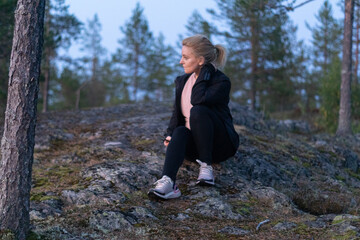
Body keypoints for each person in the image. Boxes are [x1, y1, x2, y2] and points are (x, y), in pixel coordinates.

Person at [148, 35, 239, 200]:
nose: (180, 61)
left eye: (185, 57)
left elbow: (197, 100)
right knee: (181, 131)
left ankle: (206, 167)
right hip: (194, 147)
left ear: (201, 60)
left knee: (198, 111)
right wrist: (170, 135)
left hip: (219, 146)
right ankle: (168, 182)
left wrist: (205, 72)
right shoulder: (182, 81)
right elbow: (177, 114)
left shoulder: (221, 81)